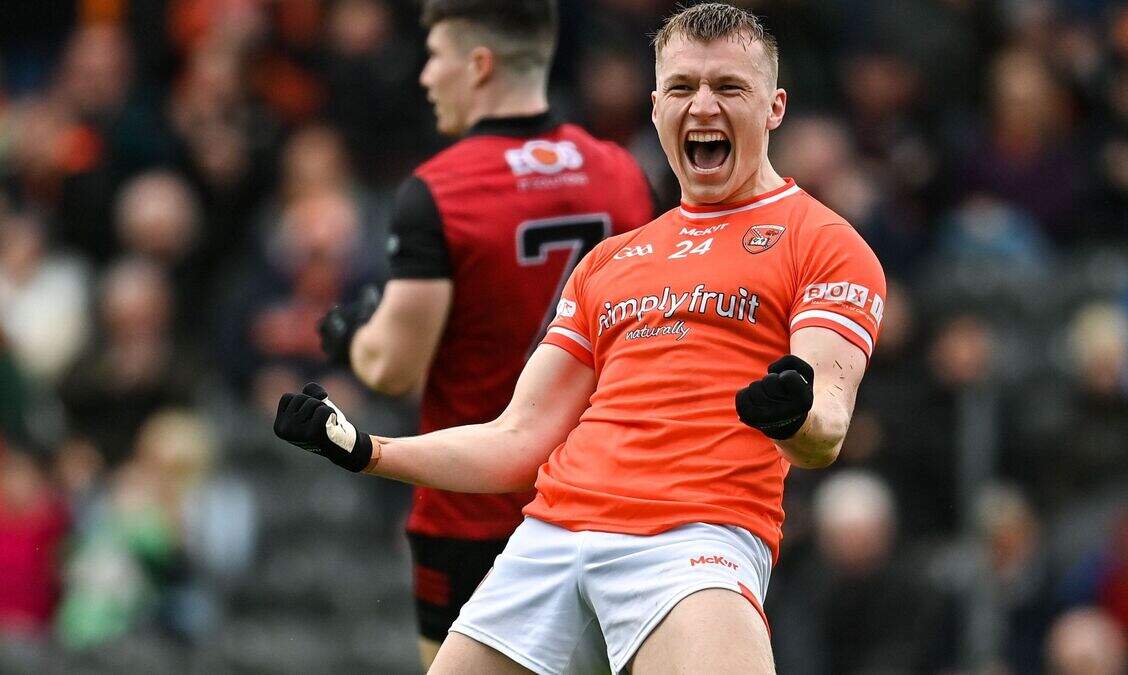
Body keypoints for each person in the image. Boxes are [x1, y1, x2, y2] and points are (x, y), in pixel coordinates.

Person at [278, 3, 884, 672]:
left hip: (693, 541)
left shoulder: (825, 244)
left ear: (774, 108)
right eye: (682, 87)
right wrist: (368, 449)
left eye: (729, 87)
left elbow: (825, 426)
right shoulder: (609, 260)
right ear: (656, 107)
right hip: (552, 536)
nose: (702, 106)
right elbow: (518, 438)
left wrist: (793, 415)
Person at [313, 0, 656, 667]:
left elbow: (392, 367)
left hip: (473, 513)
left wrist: (350, 333)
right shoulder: (622, 173)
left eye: (435, 57)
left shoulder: (442, 190)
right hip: (603, 504)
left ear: (478, 64)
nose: (425, 76)